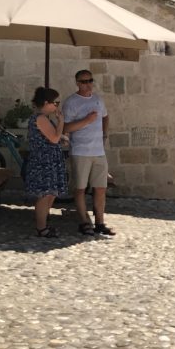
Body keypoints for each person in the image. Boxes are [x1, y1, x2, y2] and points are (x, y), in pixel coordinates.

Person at [62, 69, 115, 237]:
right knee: (80, 189)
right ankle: (84, 222)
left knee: (100, 188)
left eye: (90, 80)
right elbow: (66, 128)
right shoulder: (71, 102)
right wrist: (87, 121)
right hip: (80, 152)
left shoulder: (98, 100)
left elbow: (105, 117)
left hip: (98, 151)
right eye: (84, 81)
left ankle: (99, 222)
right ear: (77, 83)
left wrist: (104, 134)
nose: (88, 84)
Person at [25, 87, 68, 238]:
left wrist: (60, 137)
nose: (57, 106)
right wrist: (61, 121)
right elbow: (54, 138)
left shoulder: (41, 118)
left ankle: (44, 224)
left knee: (50, 194)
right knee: (45, 195)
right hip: (44, 161)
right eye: (55, 103)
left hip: (48, 160)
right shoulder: (41, 118)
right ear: (46, 103)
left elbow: (51, 138)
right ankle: (41, 228)